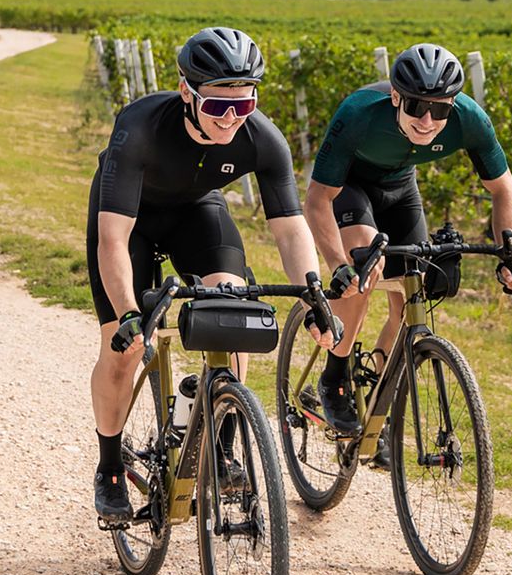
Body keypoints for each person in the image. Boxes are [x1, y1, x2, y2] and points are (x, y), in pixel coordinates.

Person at [87, 26, 334, 522]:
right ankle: (110, 466)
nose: (231, 119)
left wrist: (314, 296)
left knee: (235, 311)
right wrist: (130, 313)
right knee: (124, 344)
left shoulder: (262, 138)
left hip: (198, 213)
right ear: (186, 91)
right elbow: (112, 240)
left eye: (243, 106)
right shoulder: (140, 128)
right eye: (218, 106)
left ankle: (220, 443)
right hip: (130, 220)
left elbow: (290, 229)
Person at [304, 42, 512, 466]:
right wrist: (338, 265)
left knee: (413, 296)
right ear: (395, 97)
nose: (428, 121)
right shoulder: (358, 114)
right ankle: (334, 377)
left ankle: (378, 410)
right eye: (415, 107)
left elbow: (503, 188)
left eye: (439, 110)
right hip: (351, 189)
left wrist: (510, 251)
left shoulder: (469, 119)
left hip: (402, 190)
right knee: (365, 270)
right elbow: (316, 201)